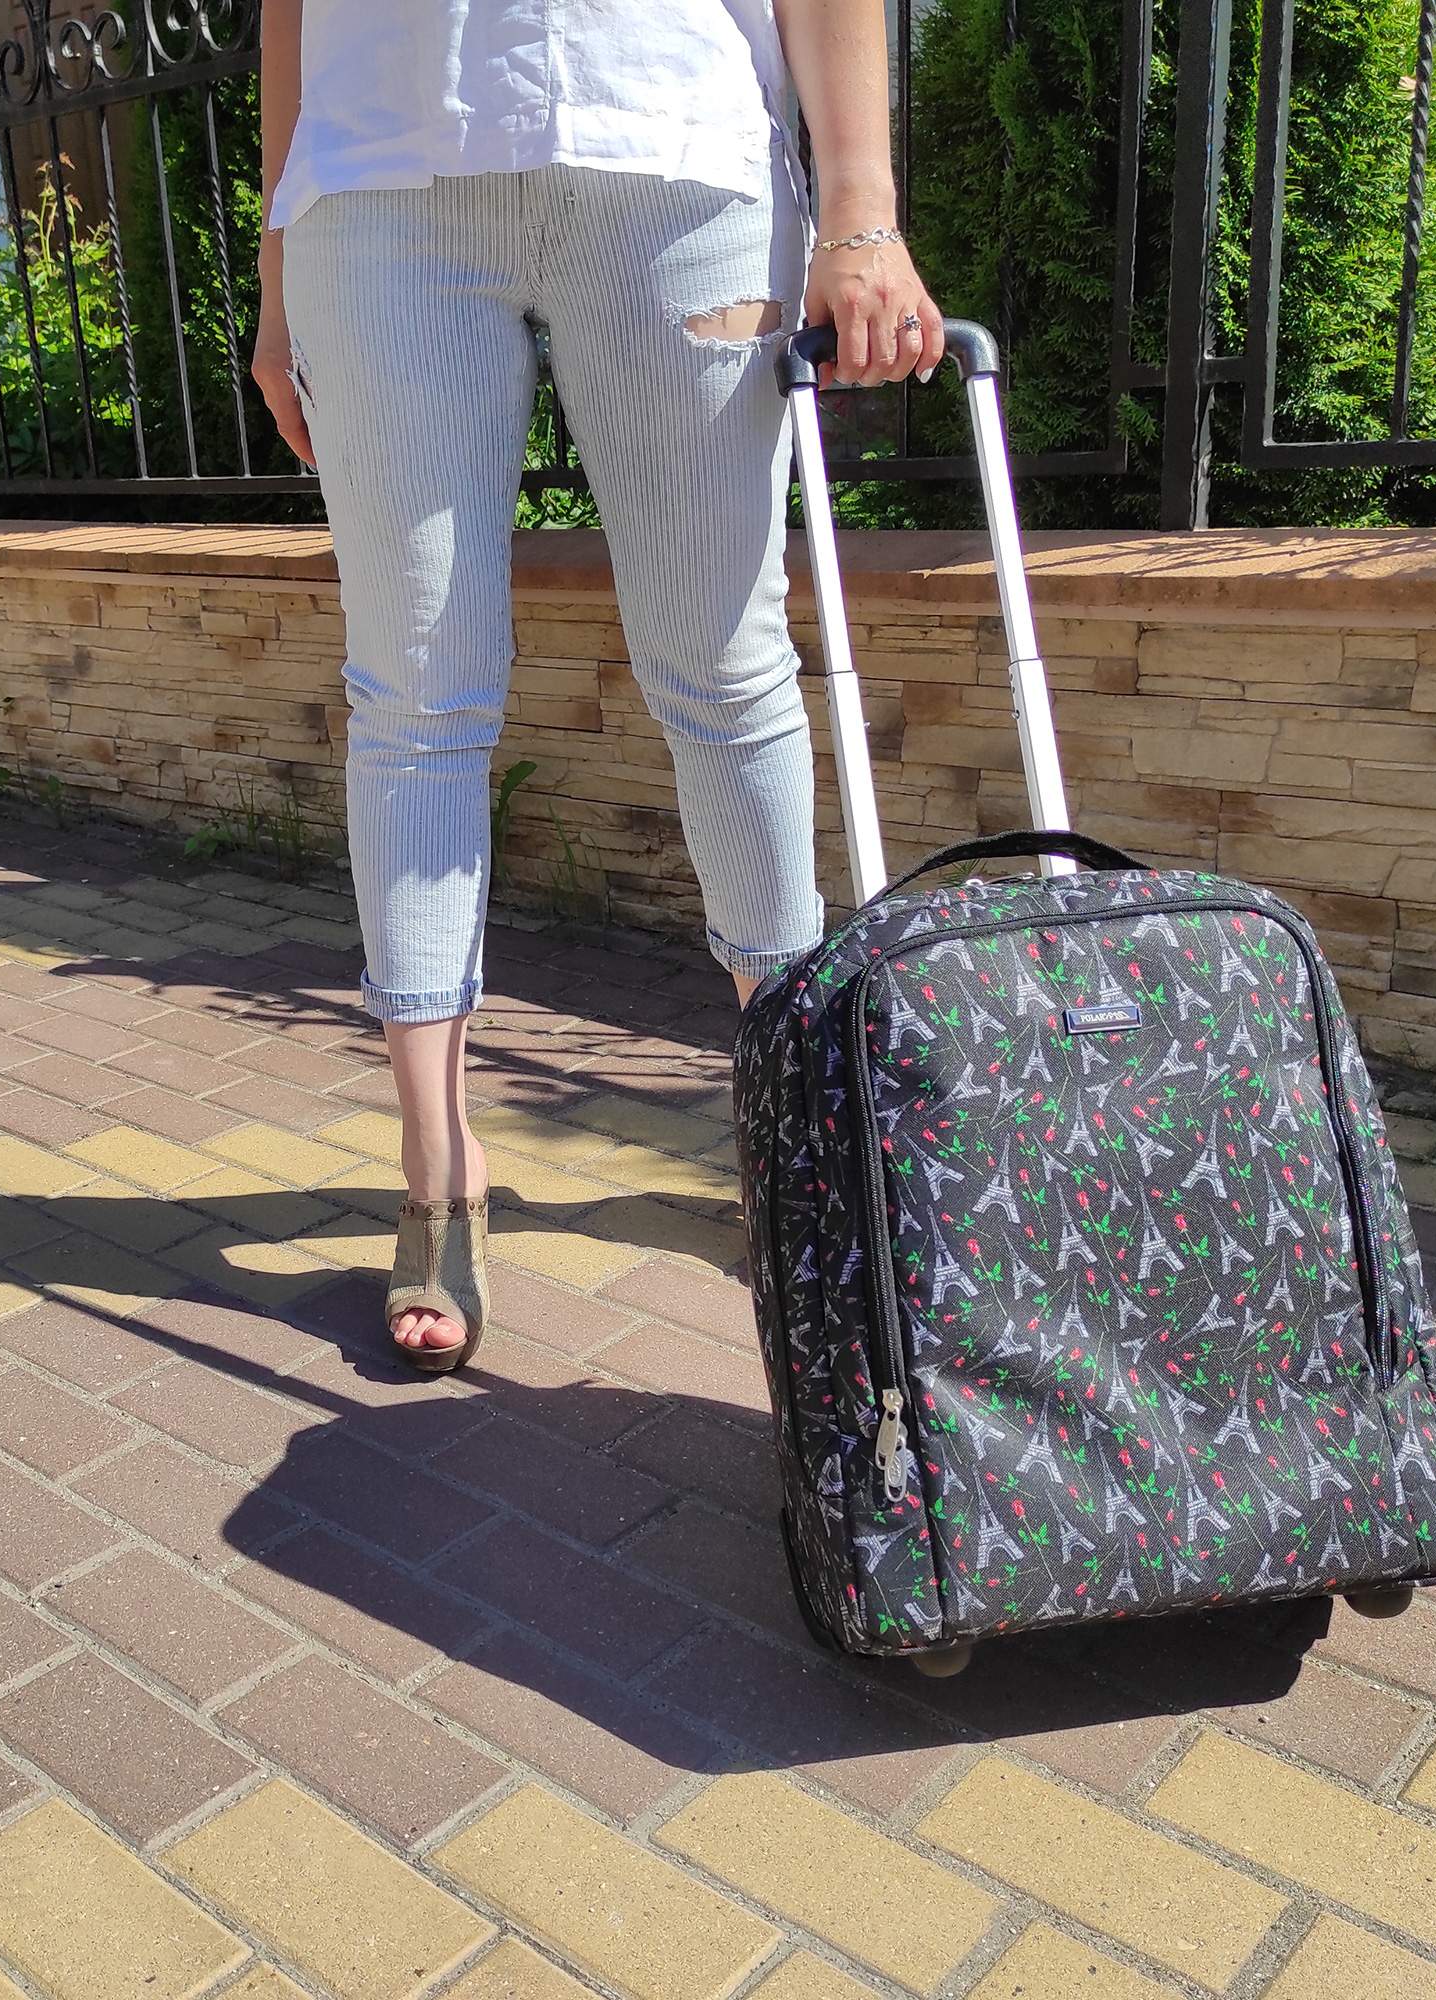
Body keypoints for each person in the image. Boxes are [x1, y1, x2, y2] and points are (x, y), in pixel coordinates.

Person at [255, 2, 943, 1370]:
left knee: (725, 672)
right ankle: (436, 1171)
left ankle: (793, 1139)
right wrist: (277, 280)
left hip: (668, 134)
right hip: (375, 172)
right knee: (414, 700)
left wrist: (861, 206)